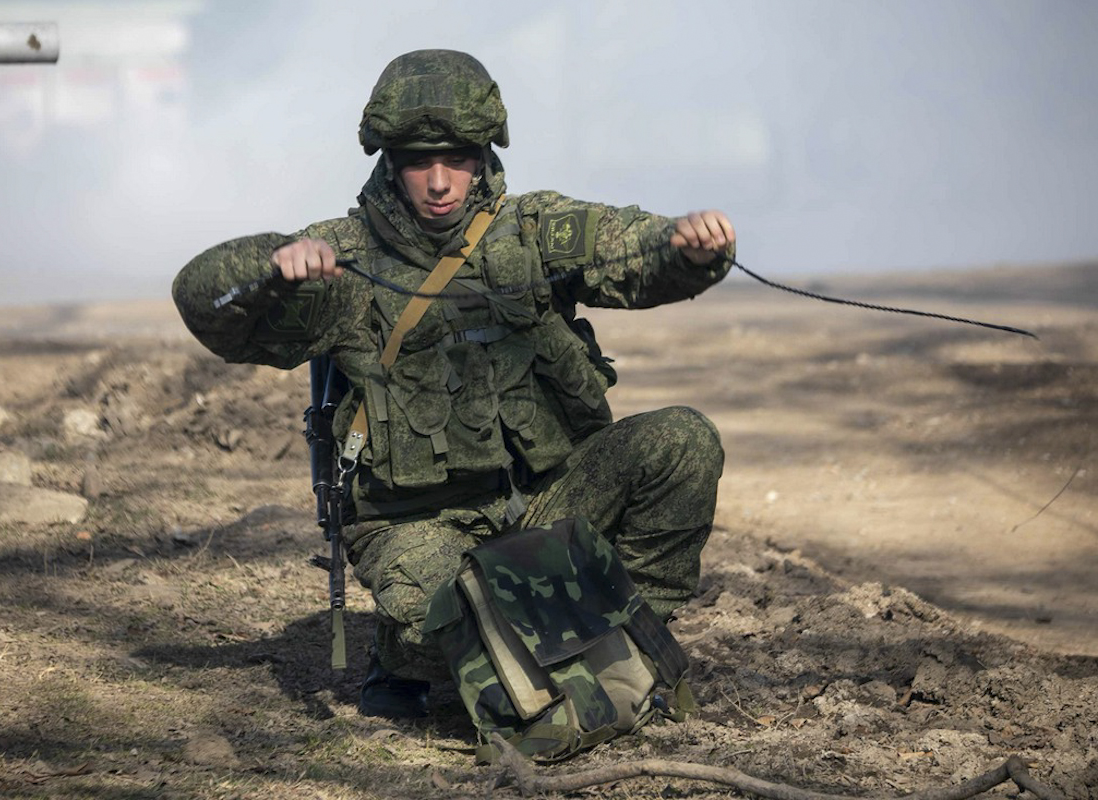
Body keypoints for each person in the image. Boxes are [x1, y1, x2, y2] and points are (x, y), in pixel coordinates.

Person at [173, 49, 735, 720]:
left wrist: (689, 245)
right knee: (475, 641)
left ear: (483, 154)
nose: (440, 181)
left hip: (543, 503)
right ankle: (405, 648)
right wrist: (269, 263)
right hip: (418, 524)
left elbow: (634, 253)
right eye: (418, 162)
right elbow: (205, 301)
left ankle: (634, 641)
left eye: (458, 159)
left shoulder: (531, 231)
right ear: (389, 162)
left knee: (682, 441)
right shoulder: (342, 259)